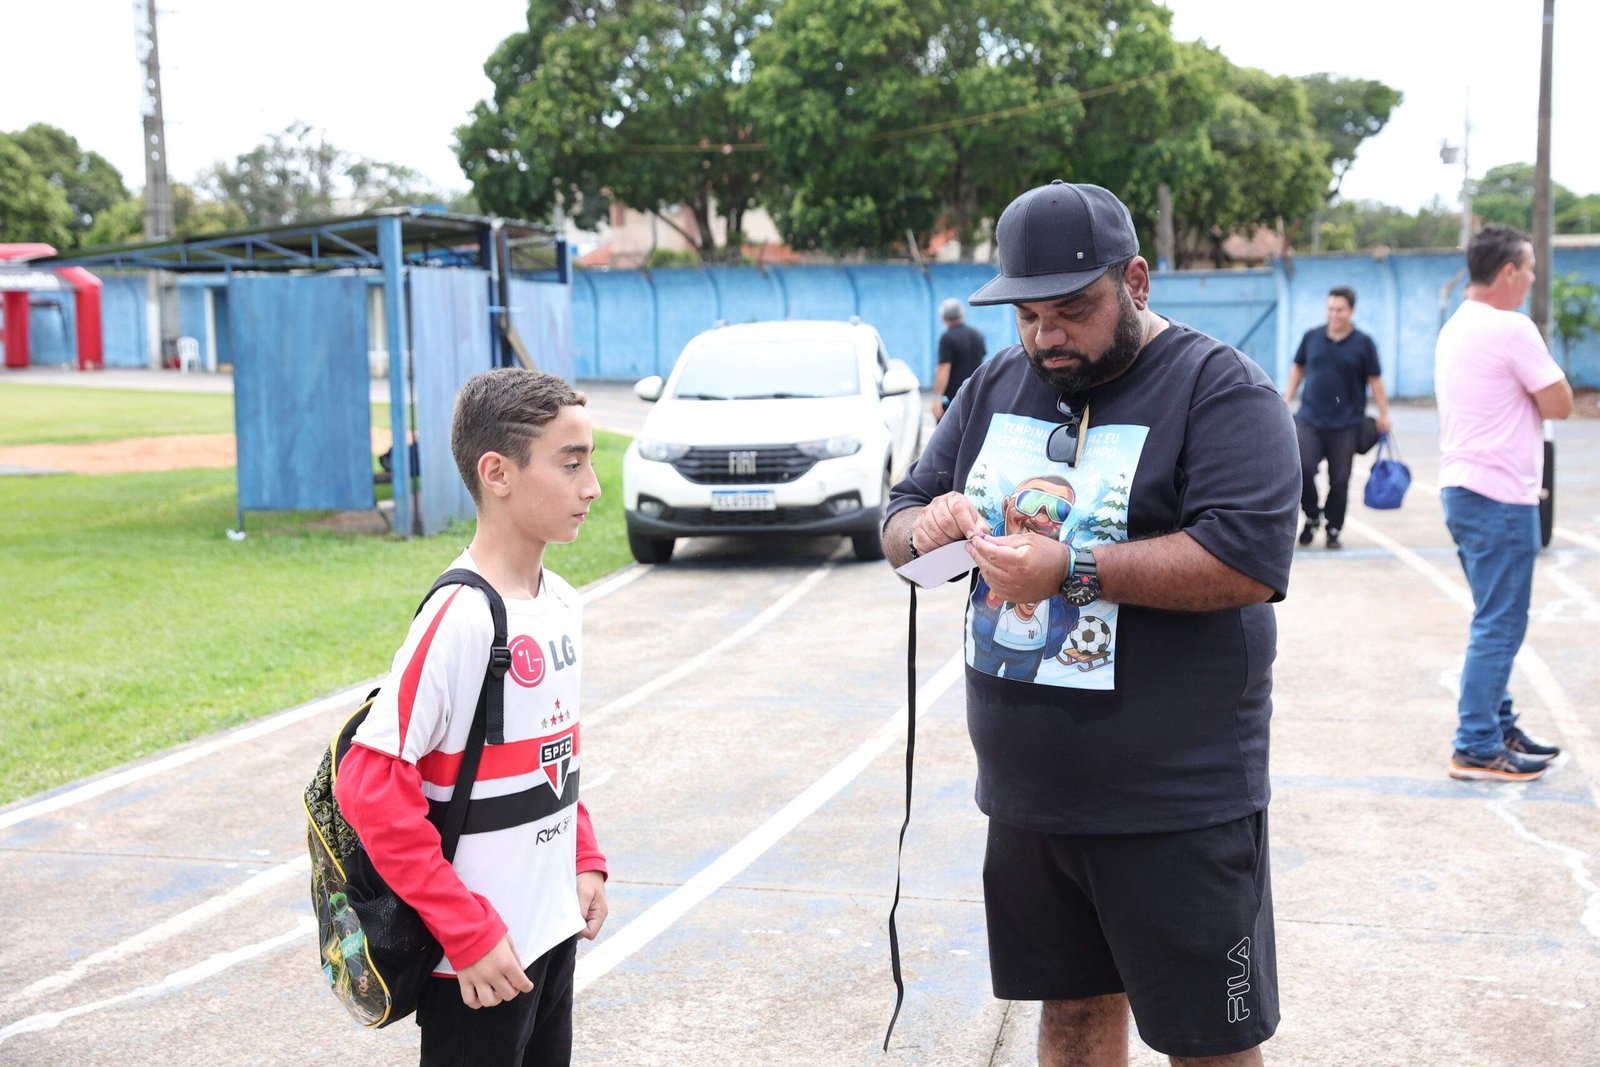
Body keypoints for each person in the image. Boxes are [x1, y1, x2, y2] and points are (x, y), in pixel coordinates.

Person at [884, 180, 1300, 1067]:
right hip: (1030, 801)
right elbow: (900, 513)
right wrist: (926, 528)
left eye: (1072, 310)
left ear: (1136, 281)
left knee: (1208, 1044)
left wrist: (1071, 568)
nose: (1047, 337)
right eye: (1028, 315)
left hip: (1175, 805)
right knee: (1071, 1018)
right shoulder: (998, 382)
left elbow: (1246, 559)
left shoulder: (1221, 389)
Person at [336, 368, 610, 1066]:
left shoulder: (562, 602)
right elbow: (368, 784)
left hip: (548, 933)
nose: (592, 487)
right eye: (571, 463)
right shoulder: (460, 617)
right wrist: (465, 929)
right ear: (497, 473)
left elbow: (552, 753)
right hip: (479, 964)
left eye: (590, 462)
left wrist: (583, 858)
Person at [1434, 224, 1572, 782]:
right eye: (1530, 269)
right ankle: (1477, 743)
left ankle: (1498, 724)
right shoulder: (1512, 328)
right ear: (1509, 272)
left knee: (1493, 618)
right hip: (1500, 496)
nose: (1533, 279)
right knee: (1501, 624)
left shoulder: (1455, 327)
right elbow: (1560, 403)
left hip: (1463, 490)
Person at [1282, 286, 1391, 550]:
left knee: (1340, 479)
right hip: (1310, 419)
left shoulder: (1363, 343)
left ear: (1351, 311)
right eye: (1331, 309)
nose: (1334, 314)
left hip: (1346, 423)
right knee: (1302, 468)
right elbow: (1298, 369)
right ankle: (1311, 515)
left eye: (1340, 310)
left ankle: (1333, 527)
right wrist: (1286, 400)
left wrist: (1384, 413)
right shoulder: (1312, 337)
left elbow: (1375, 380)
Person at [934, 296, 987, 421]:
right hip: (975, 395)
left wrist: (938, 397)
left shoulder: (947, 338)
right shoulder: (977, 335)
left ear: (944, 317)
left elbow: (944, 368)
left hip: (952, 398)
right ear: (962, 314)